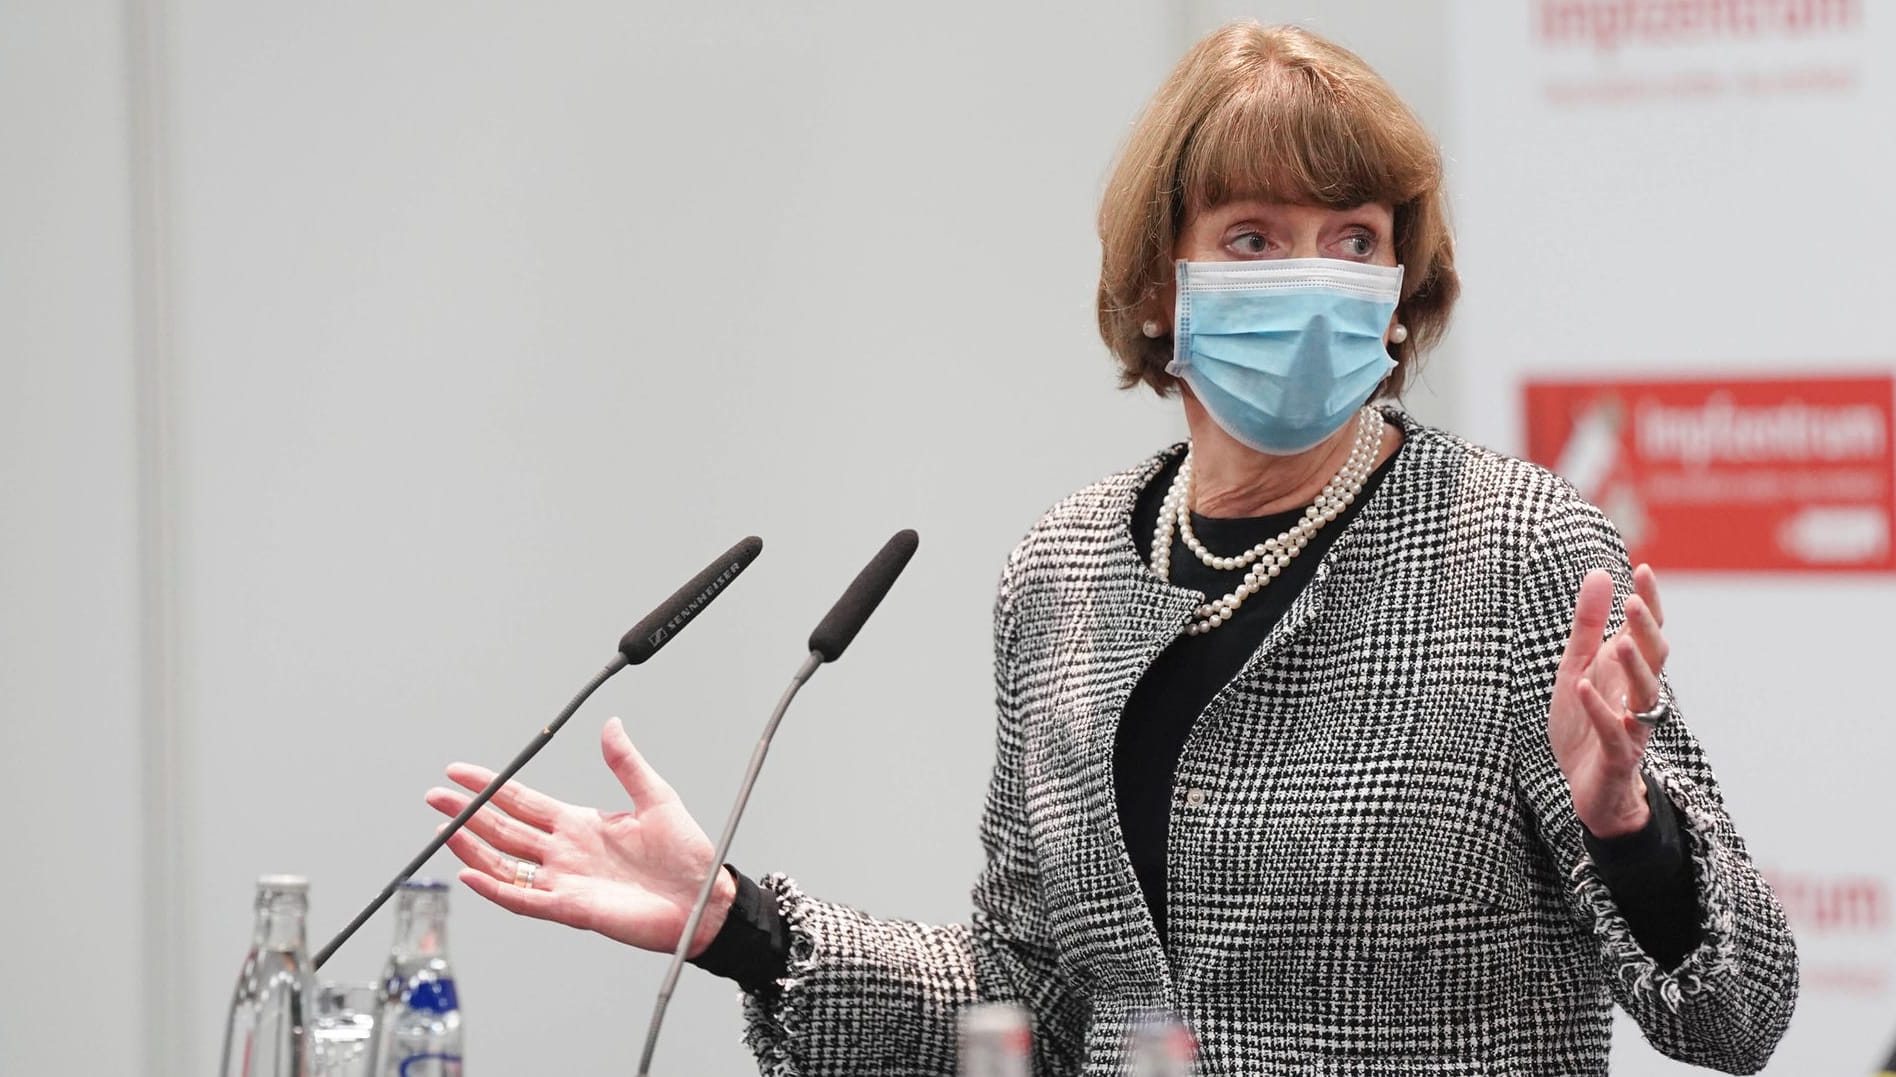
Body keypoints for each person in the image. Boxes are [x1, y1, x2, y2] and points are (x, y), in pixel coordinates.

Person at [424, 21, 1797, 1075]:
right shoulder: (1066, 573)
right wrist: (741, 923)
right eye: (1253, 237)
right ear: (1161, 284)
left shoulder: (1517, 548)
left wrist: (1628, 826)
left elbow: (1739, 1011)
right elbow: (1028, 1003)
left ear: (1398, 293)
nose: (1309, 278)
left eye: (1352, 240)